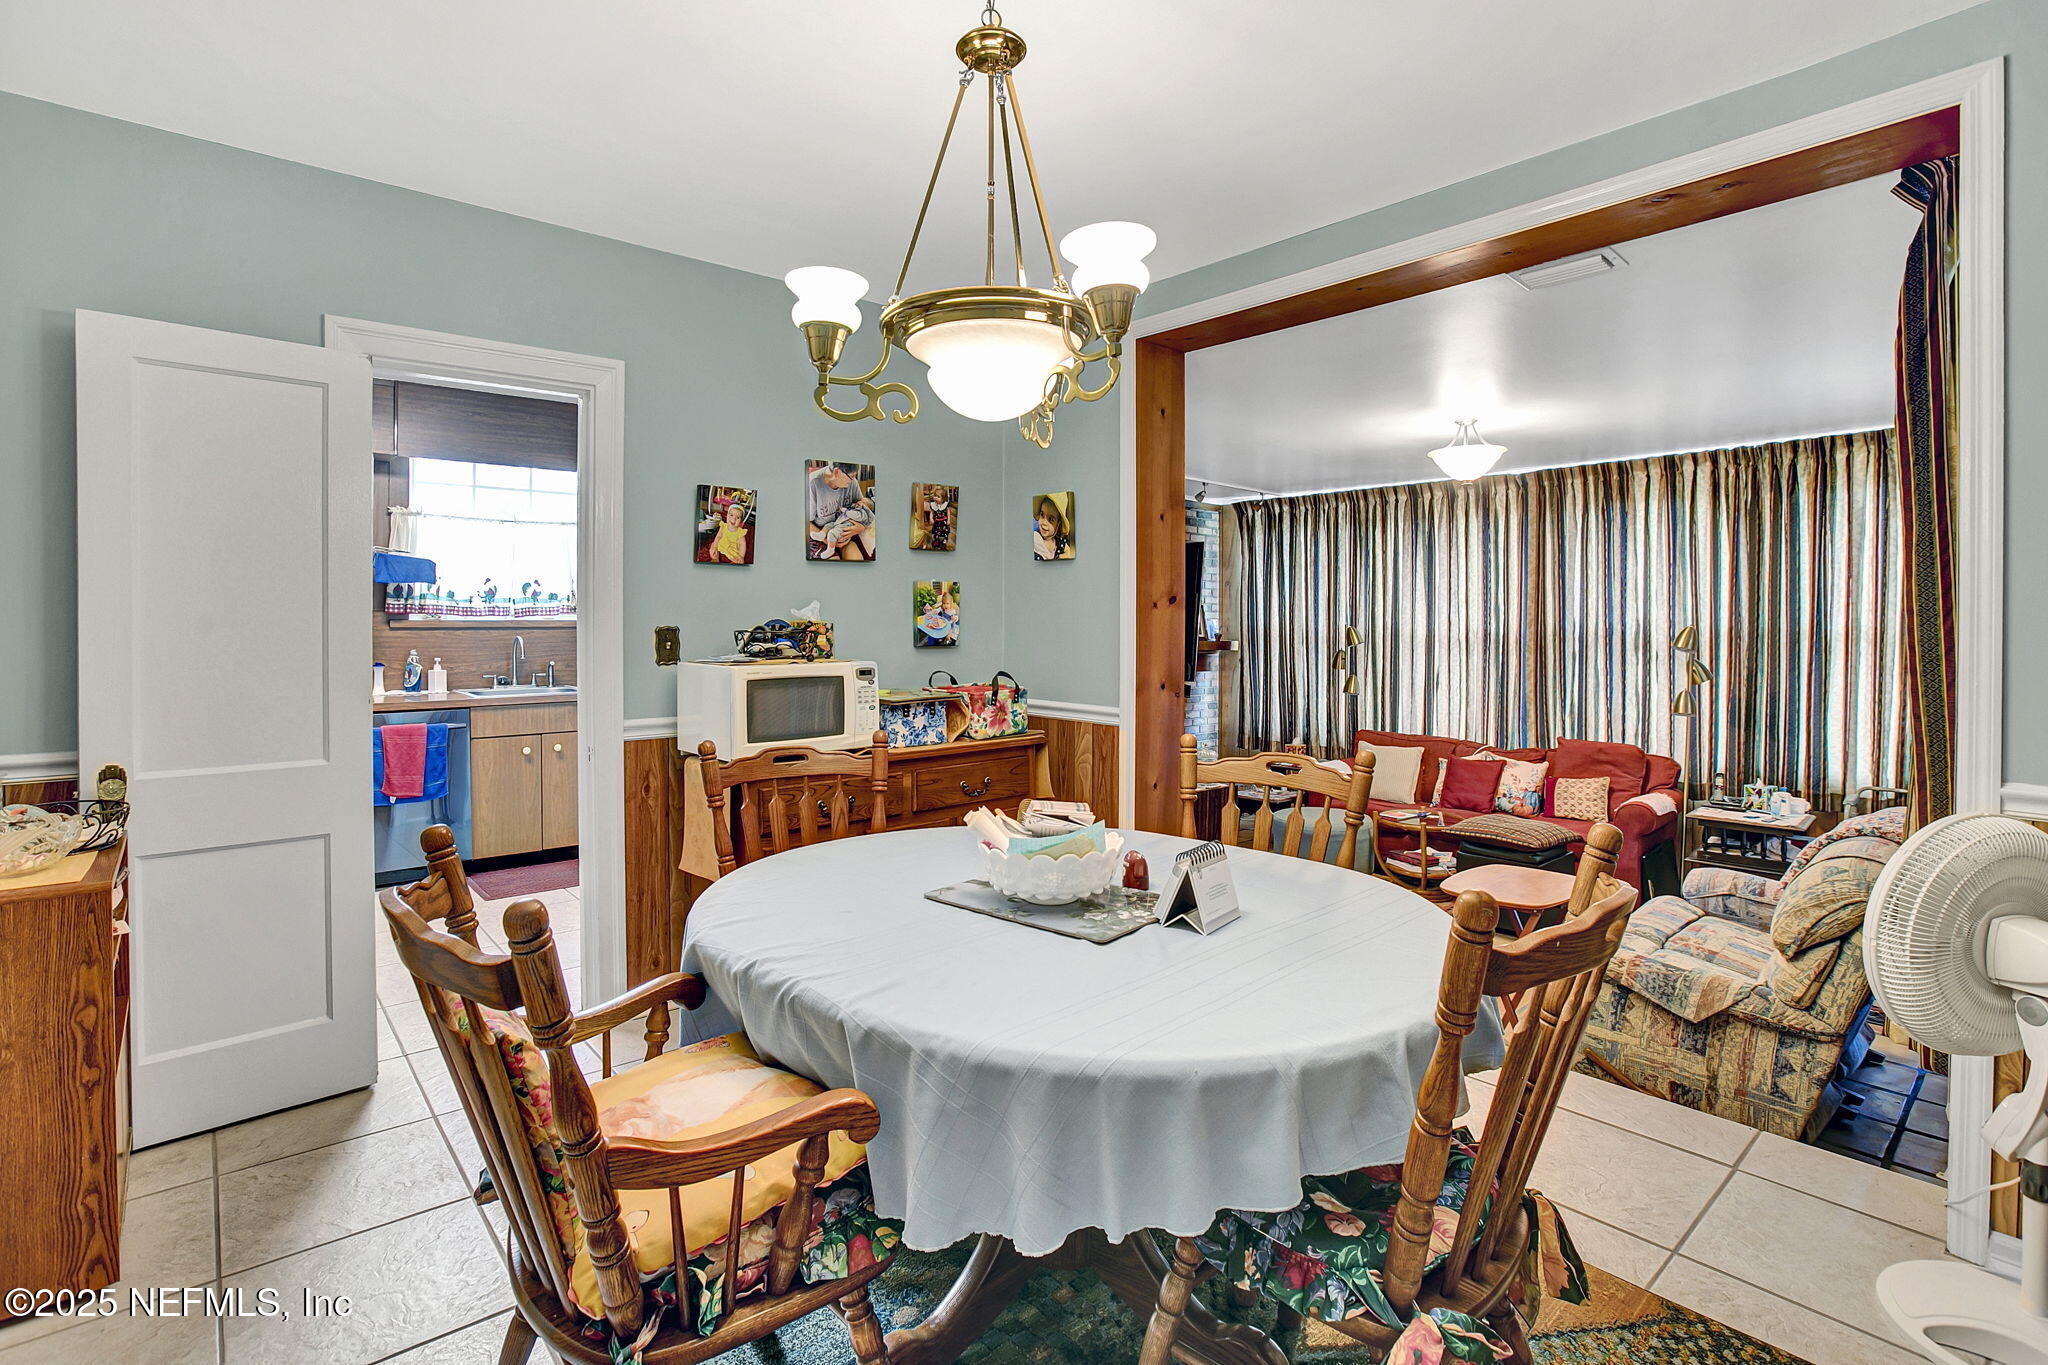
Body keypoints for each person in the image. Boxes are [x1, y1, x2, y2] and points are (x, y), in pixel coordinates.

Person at [808, 463, 876, 560]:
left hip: (843, 533)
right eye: (851, 476)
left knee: (856, 560)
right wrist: (828, 541)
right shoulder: (812, 484)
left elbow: (864, 509)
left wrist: (861, 527)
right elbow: (805, 523)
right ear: (836, 472)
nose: (853, 480)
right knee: (833, 563)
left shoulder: (852, 483)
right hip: (820, 534)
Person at [1032, 495, 1072, 560]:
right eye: (1042, 514)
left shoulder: (1059, 542)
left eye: (1051, 519)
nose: (1044, 523)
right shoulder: (1035, 538)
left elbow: (1068, 551)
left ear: (1058, 524)